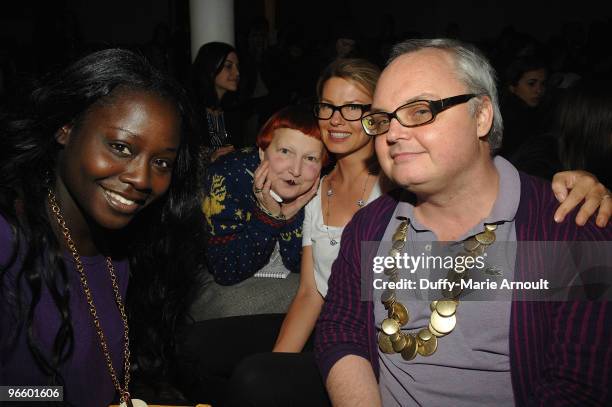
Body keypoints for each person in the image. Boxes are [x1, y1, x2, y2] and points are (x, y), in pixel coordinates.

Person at [224, 59, 612, 406]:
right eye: (383, 119)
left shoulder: (571, 226)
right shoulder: (371, 224)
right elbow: (341, 327)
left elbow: (579, 386)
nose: (392, 133)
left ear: (481, 117)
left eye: (420, 111)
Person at [0, 49, 203, 407]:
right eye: (121, 147)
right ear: (66, 128)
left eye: (161, 162)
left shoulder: (124, 250)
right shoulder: (8, 241)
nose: (142, 179)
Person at [176, 105, 326, 405]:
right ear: (262, 153)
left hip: (291, 295)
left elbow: (299, 264)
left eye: (310, 158)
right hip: (229, 284)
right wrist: (269, 216)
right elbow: (226, 270)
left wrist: (294, 214)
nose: (295, 170)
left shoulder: (322, 189)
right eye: (284, 151)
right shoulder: (227, 175)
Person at [192, 42, 241, 161]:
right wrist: (210, 160)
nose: (237, 73)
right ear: (210, 68)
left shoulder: (233, 109)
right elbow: (181, 159)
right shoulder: (189, 110)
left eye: (237, 66)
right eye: (228, 66)